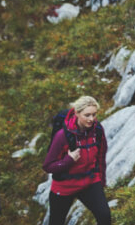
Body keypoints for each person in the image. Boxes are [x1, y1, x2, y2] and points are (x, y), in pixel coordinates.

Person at [42, 96, 110, 225]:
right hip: (64, 186)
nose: (91, 119)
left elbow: (101, 156)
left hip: (89, 182)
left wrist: (101, 180)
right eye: (87, 115)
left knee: (104, 216)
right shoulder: (62, 136)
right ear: (77, 113)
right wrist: (69, 160)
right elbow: (48, 166)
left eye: (94, 114)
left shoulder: (97, 130)